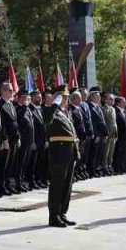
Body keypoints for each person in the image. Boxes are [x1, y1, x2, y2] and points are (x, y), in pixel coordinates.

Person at [45, 87, 78, 228]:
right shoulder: (50, 110)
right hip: (58, 153)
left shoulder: (65, 112)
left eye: (66, 98)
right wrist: (55, 103)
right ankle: (54, 217)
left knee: (67, 185)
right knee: (57, 185)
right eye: (63, 97)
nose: (66, 100)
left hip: (69, 152)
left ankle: (62, 213)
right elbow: (47, 119)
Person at [103, 93, 119, 175]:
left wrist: (116, 132)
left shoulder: (113, 109)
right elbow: (104, 122)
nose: (112, 101)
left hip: (114, 133)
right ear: (105, 100)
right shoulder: (103, 109)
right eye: (110, 99)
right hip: (108, 133)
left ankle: (110, 166)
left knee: (111, 152)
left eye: (113, 99)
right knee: (106, 151)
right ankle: (105, 167)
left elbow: (114, 122)